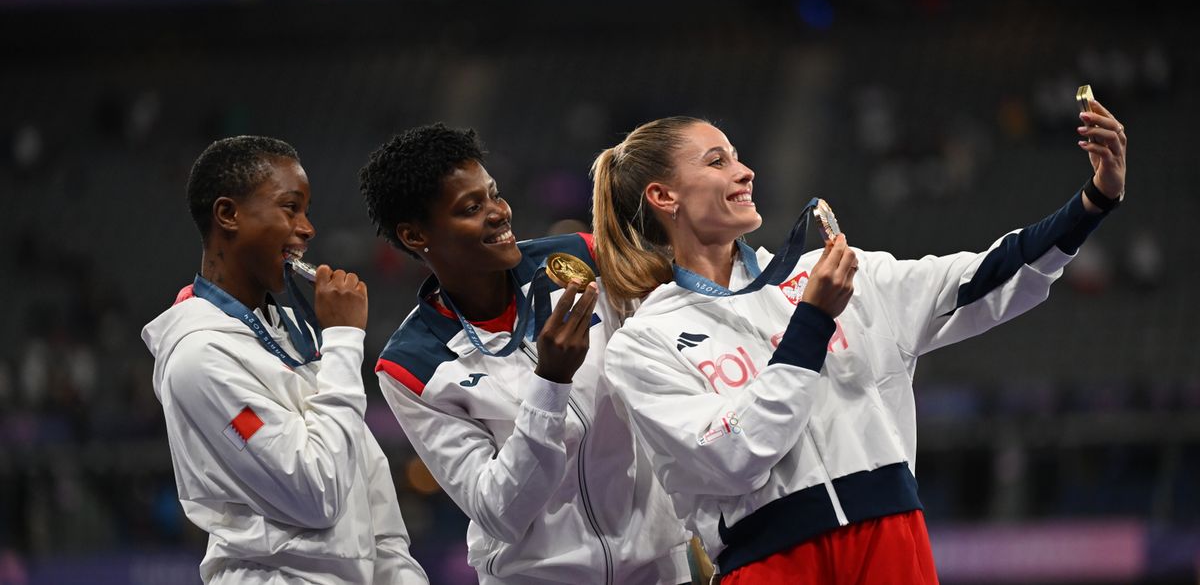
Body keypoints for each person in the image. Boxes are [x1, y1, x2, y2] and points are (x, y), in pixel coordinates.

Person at [590, 105, 1128, 584]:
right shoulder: (642, 343)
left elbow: (979, 279)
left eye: (737, 157)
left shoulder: (834, 275)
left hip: (891, 541)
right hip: (769, 562)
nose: (744, 171)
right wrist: (813, 322)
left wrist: (1091, 202)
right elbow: (731, 455)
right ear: (664, 197)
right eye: (716, 162)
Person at [359, 123, 692, 584]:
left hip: (658, 569)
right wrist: (550, 385)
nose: (498, 213)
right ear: (416, 236)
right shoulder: (411, 365)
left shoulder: (581, 259)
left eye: (494, 195)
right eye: (471, 208)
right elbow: (497, 511)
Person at [142, 136, 428, 585]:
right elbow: (316, 492)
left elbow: (365, 478)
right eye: (290, 208)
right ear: (228, 215)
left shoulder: (290, 333)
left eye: (306, 210)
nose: (308, 228)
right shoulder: (199, 358)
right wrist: (345, 338)